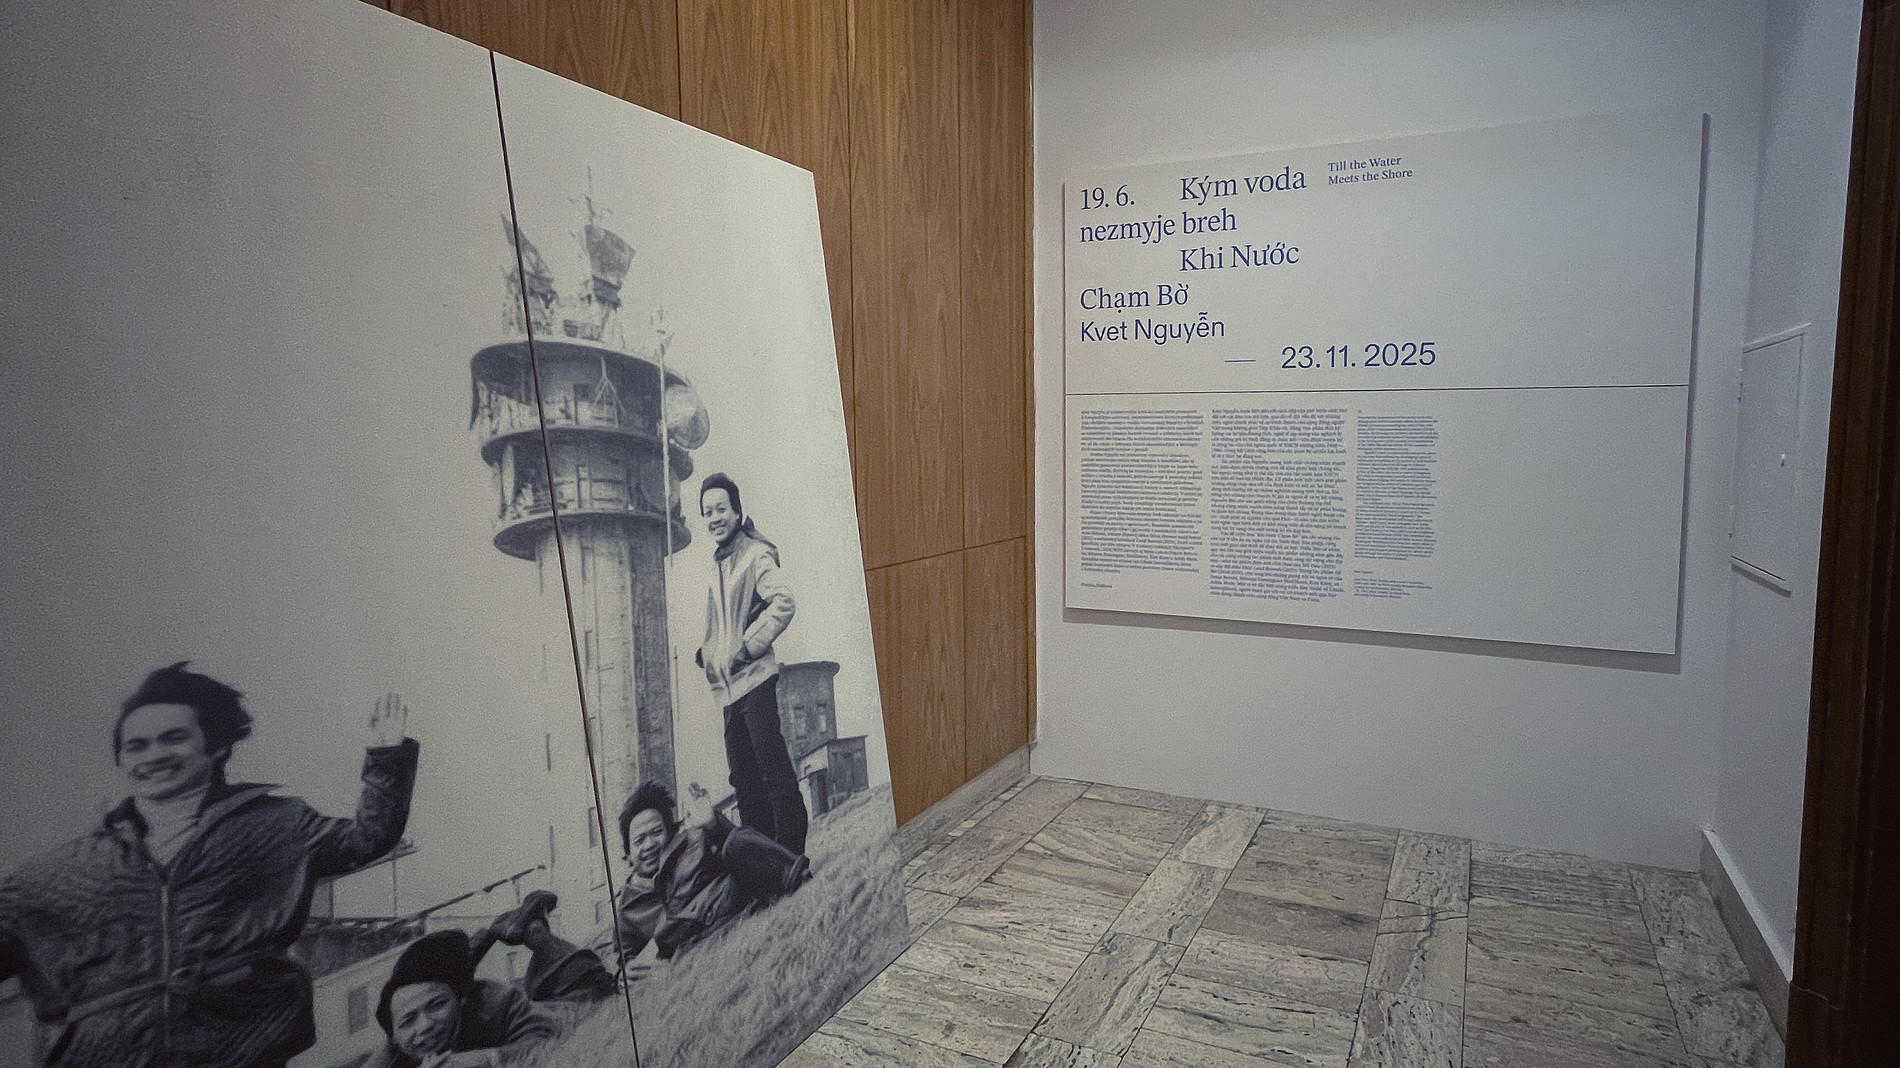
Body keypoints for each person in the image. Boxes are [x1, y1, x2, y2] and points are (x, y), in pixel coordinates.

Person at [0, 662, 420, 1068]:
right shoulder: (77, 864)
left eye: (173, 738)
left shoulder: (276, 825)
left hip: (237, 1049)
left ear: (217, 745)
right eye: (137, 745)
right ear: (121, 759)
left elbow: (366, 838)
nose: (154, 755)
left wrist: (387, 758)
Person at [696, 472, 808, 854]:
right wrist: (707, 654)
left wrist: (747, 648)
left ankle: (792, 853)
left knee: (771, 768)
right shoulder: (715, 564)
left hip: (755, 679)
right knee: (743, 782)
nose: (715, 518)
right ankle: (765, 863)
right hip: (727, 691)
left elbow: (784, 603)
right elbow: (718, 625)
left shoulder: (755, 552)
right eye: (707, 512)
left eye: (721, 509)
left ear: (737, 510)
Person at [615, 782, 808, 963]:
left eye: (656, 832)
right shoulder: (627, 909)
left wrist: (713, 824)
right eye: (639, 840)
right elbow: (626, 959)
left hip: (735, 904)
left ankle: (801, 880)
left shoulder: (694, 842)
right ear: (628, 854)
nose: (649, 845)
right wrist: (621, 978)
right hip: (696, 944)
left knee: (738, 840)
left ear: (670, 832)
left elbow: (743, 852)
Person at [366, 931, 555, 1068]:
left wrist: (486, 1060)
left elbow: (545, 1043)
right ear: (394, 1037)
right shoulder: (397, 1044)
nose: (425, 1026)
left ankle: (536, 933)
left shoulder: (497, 1002)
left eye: (437, 1005)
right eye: (408, 1020)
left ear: (461, 999)